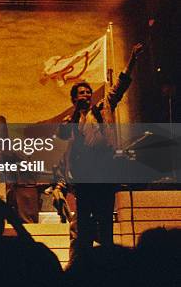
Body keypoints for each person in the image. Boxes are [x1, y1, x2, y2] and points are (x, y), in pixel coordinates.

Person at [58, 43, 143, 262]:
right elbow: (62, 145)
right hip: (84, 183)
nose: (86, 95)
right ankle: (83, 266)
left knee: (105, 225)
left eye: (88, 92)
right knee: (84, 228)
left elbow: (120, 86)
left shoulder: (103, 109)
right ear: (74, 99)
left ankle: (107, 266)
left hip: (104, 178)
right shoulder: (70, 121)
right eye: (81, 93)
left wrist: (132, 59)